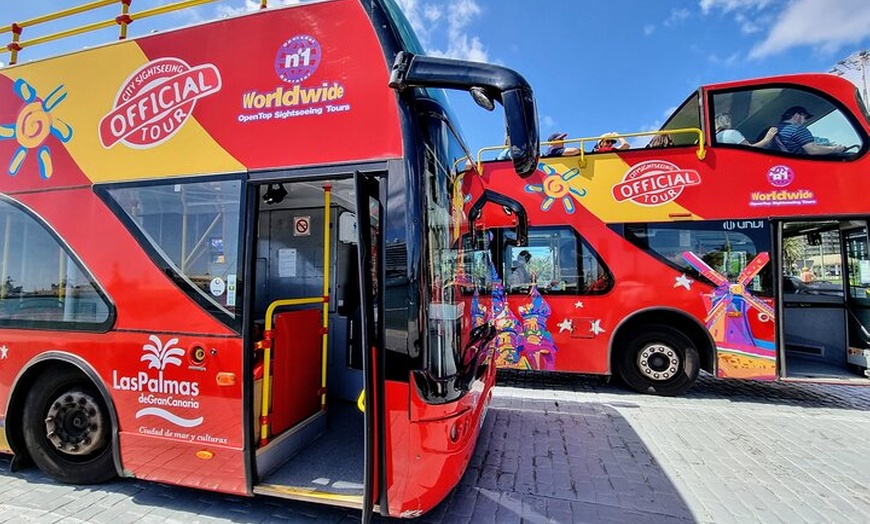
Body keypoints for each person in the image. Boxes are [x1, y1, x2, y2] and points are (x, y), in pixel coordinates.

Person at [775, 106, 846, 155]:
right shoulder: (797, 129)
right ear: (796, 116)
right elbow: (813, 150)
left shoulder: (775, 131)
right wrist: (836, 149)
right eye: (805, 117)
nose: (805, 121)